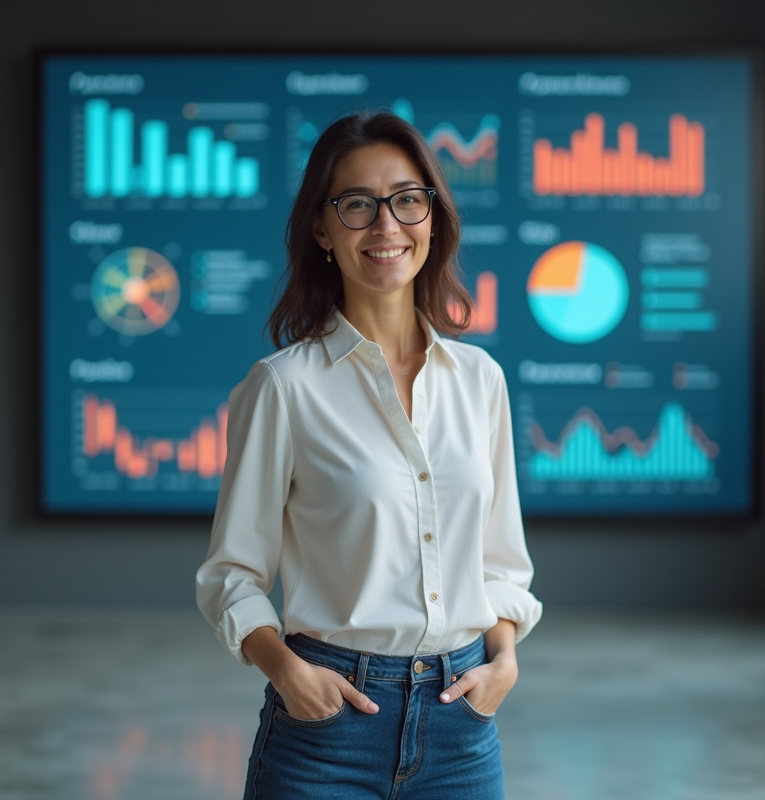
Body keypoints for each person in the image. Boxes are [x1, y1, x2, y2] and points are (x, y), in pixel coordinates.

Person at [196, 110, 542, 799]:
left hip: (462, 726)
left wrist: (503, 660)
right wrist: (286, 672)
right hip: (327, 728)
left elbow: (501, 562)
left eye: (407, 200)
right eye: (357, 205)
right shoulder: (283, 388)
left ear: (434, 217)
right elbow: (231, 575)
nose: (386, 226)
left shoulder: (481, 381)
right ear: (322, 231)